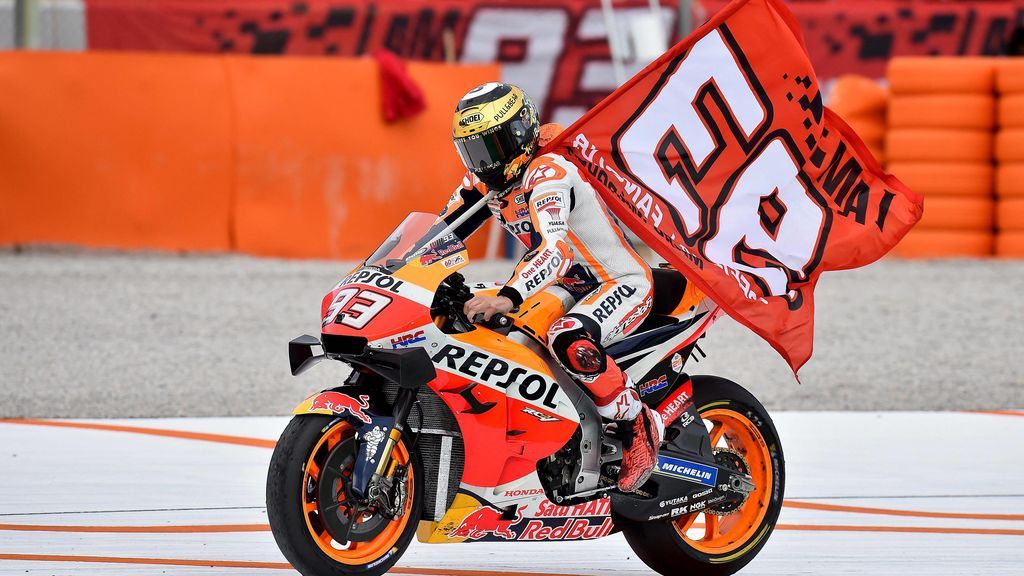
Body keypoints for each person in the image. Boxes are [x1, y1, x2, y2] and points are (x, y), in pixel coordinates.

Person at [438, 82, 662, 493]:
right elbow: (439, 235)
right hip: (568, 285)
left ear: (522, 132)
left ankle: (638, 423)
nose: (486, 162)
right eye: (475, 151)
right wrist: (397, 272)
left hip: (619, 281)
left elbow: (554, 250)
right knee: (469, 311)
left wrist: (506, 295)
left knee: (568, 337)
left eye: (495, 145)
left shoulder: (549, 171)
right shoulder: (486, 183)